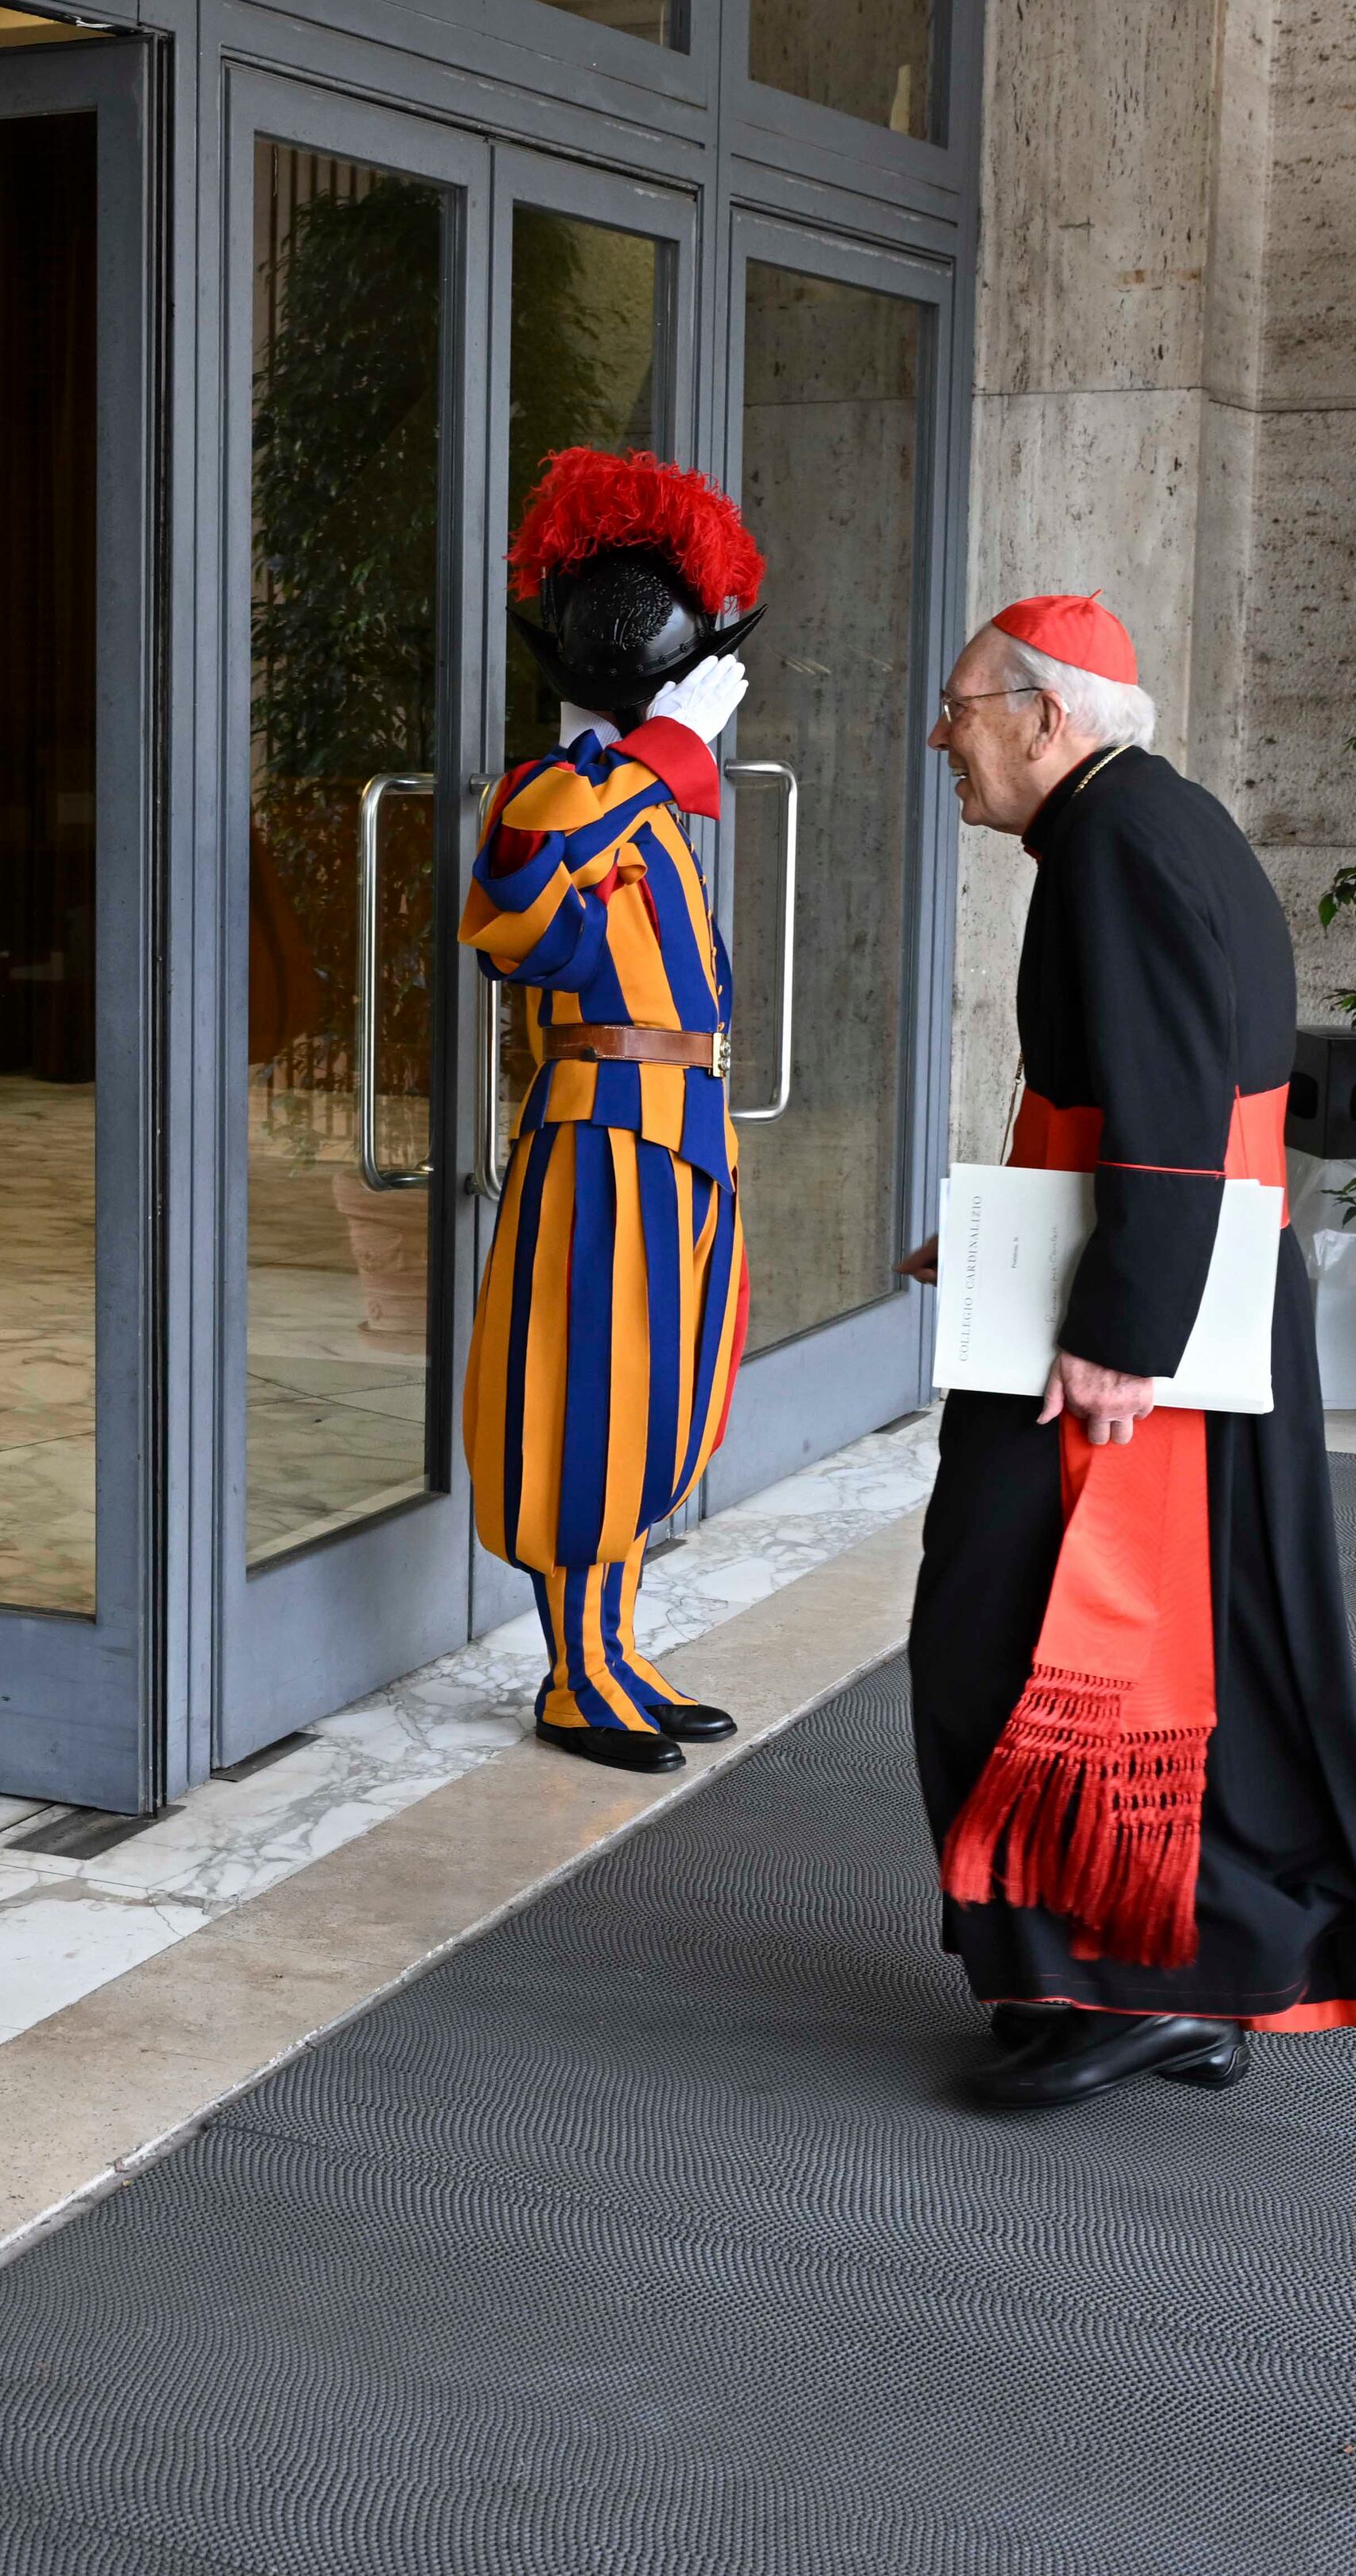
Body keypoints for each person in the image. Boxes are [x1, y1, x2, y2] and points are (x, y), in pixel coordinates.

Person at [904, 594, 1356, 2111]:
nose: (943, 736)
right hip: (1182, 1295)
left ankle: (1145, 1983)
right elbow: (1140, 1100)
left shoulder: (1118, 845)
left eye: (963, 707)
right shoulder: (1151, 825)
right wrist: (1008, 1238)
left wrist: (1119, 1335)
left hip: (1146, 1338)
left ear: (1049, 719)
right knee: (1192, 1658)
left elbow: (1176, 1108)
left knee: (1022, 1635)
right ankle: (1161, 1968)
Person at [460, 450, 762, 1775]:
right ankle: (576, 1673)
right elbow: (515, 907)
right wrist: (658, 754)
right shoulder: (559, 793)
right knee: (586, 1400)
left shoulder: (636, 800)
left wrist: (659, 761)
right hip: (602, 1127)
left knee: (661, 1398)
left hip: (681, 1118)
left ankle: (616, 1647)